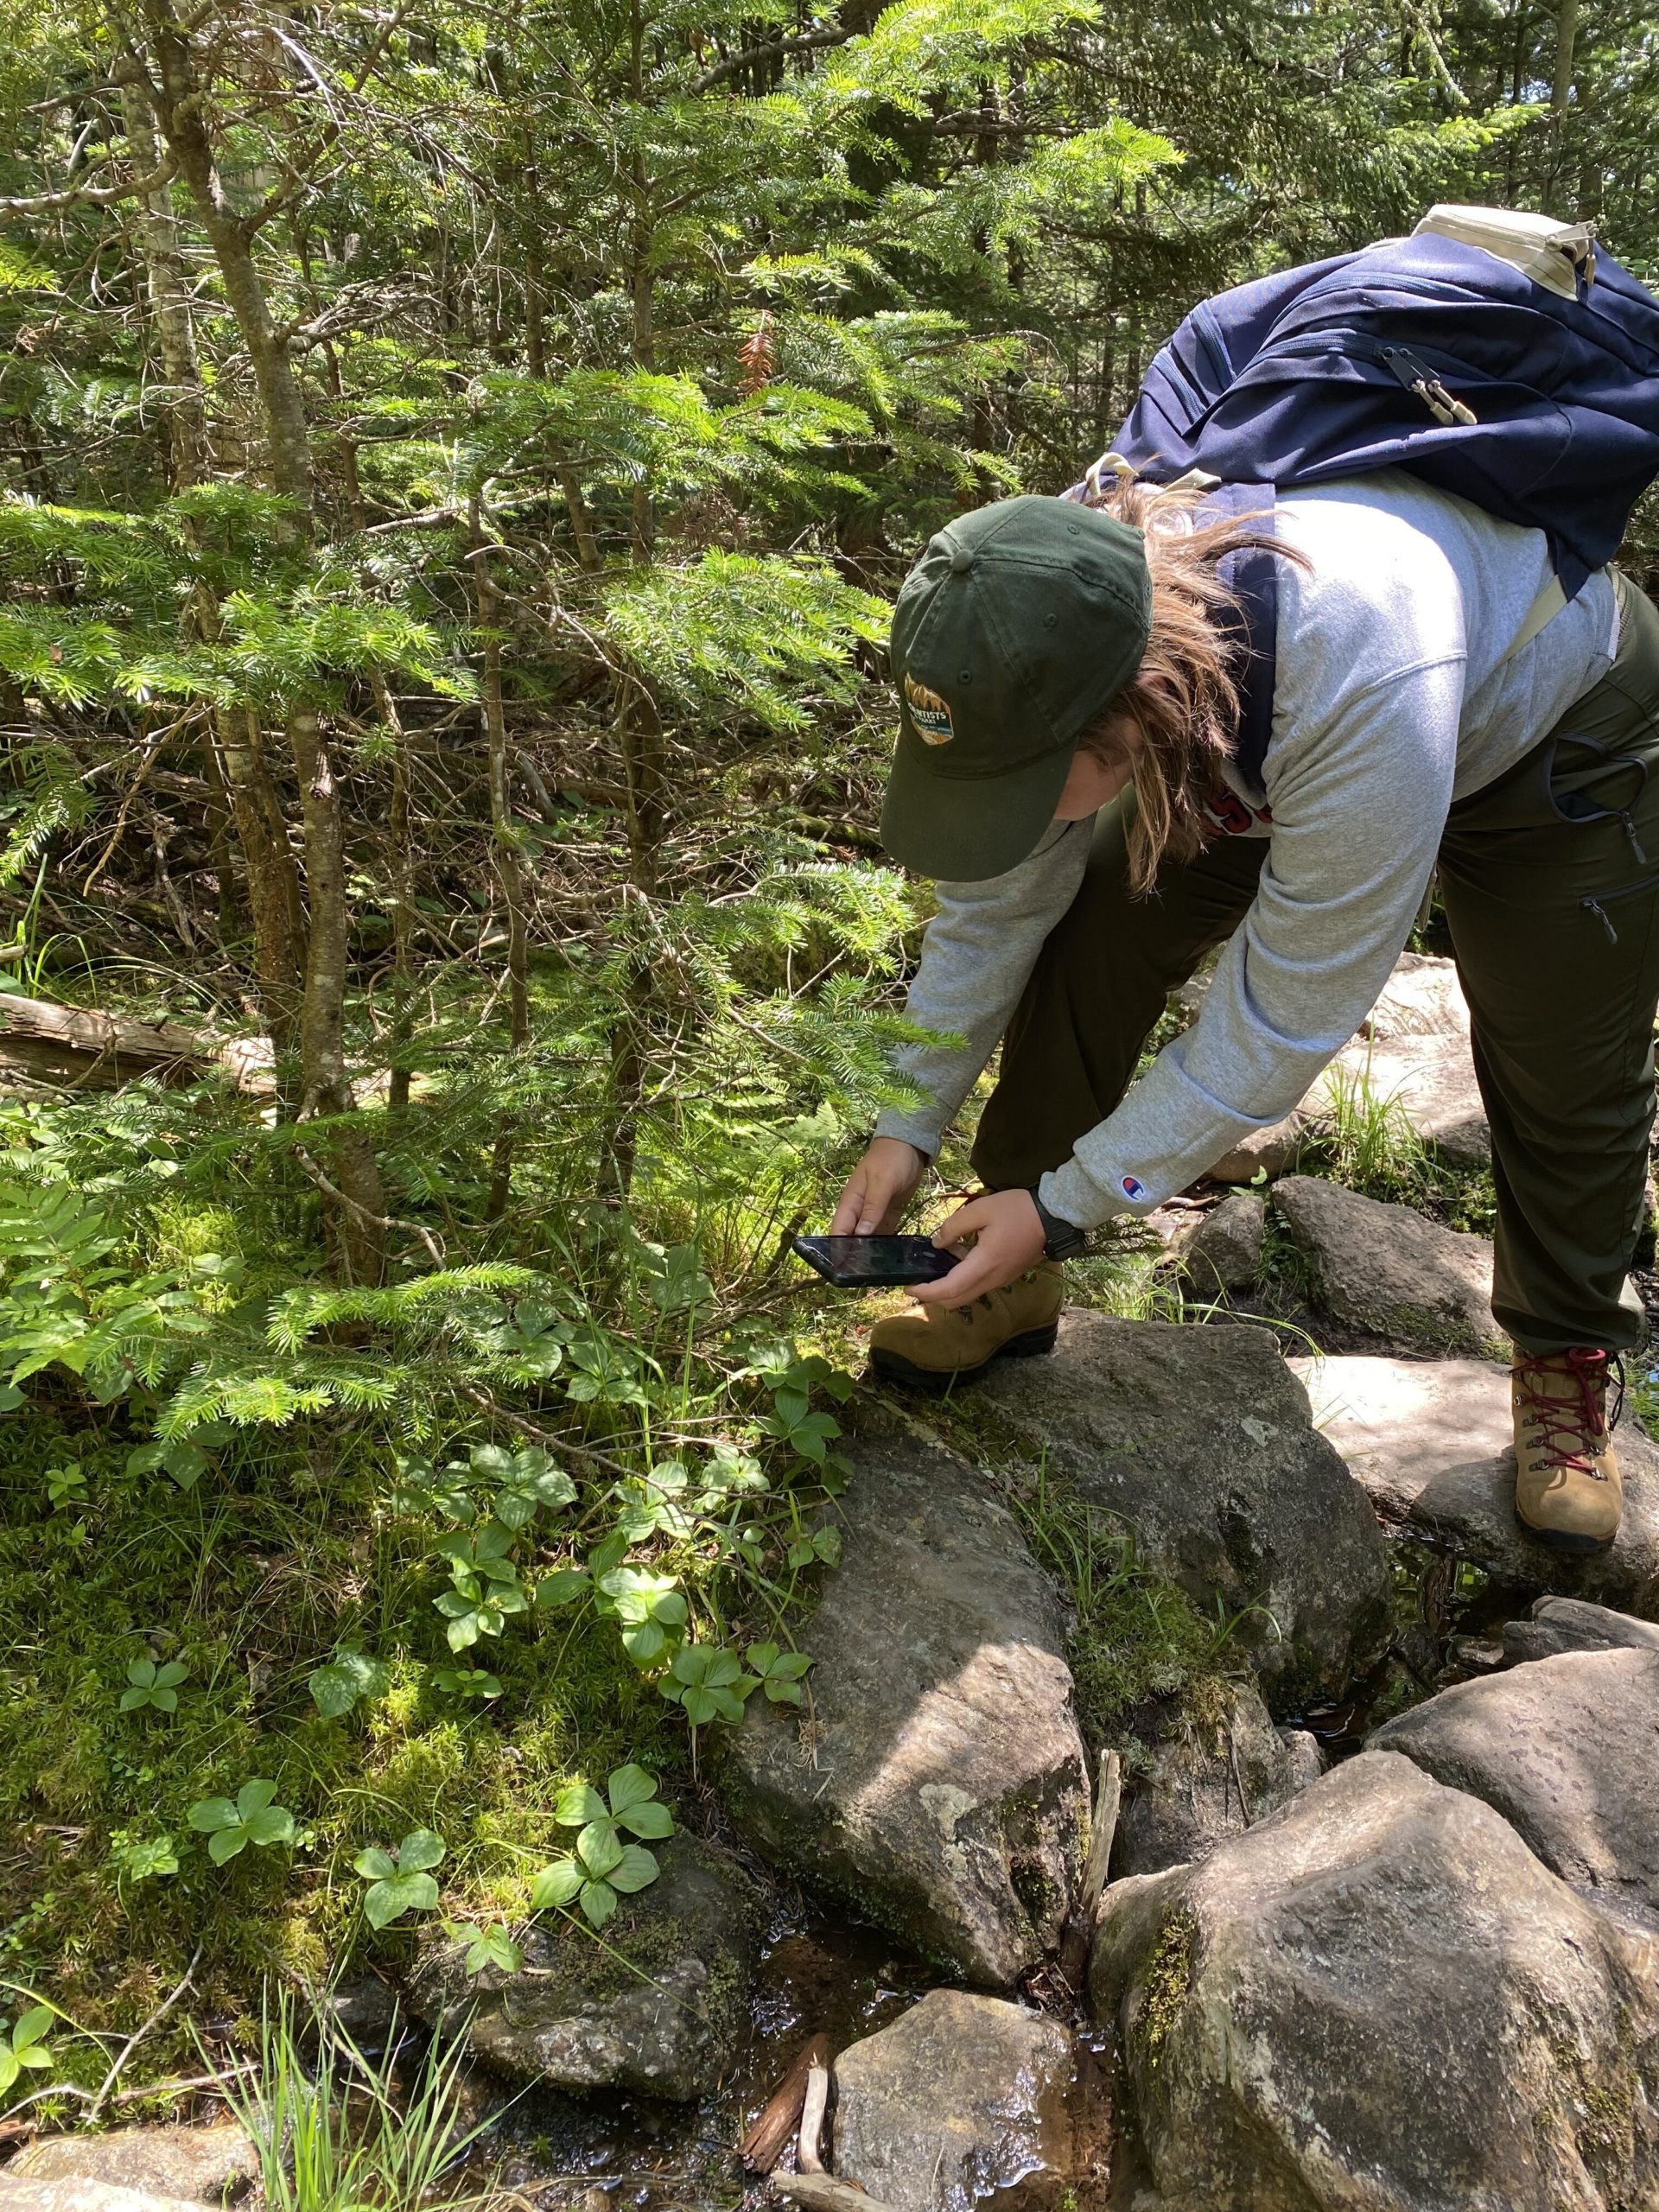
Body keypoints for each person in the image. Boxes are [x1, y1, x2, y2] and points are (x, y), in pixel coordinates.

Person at [830, 471, 1659, 1554]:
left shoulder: (1361, 670)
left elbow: (1280, 1023)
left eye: (1019, 786)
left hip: (1550, 730)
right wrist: (906, 1120)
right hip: (1251, 734)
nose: (1003, 813)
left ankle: (1565, 1360)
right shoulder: (1040, 607)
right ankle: (1009, 1252)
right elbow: (996, 907)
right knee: (1096, 926)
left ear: (1128, 711)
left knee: (1563, 1060)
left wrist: (1080, 1197)